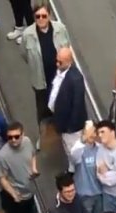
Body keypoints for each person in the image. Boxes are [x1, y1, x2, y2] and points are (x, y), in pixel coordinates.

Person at [20, 3, 72, 148]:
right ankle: (43, 136)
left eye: (44, 16)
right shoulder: (28, 34)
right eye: (38, 16)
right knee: (43, 111)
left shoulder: (60, 29)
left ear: (49, 16)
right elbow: (24, 54)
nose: (41, 19)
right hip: (40, 80)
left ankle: (64, 131)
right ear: (34, 17)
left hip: (59, 78)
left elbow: (67, 48)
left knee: (62, 104)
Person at [46, 47, 86, 161]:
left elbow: (77, 105)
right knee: (67, 147)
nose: (57, 64)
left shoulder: (75, 79)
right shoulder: (61, 71)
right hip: (61, 120)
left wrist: (71, 127)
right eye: (56, 60)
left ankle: (77, 171)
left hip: (71, 126)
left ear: (69, 61)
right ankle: (71, 168)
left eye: (60, 62)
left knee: (74, 150)